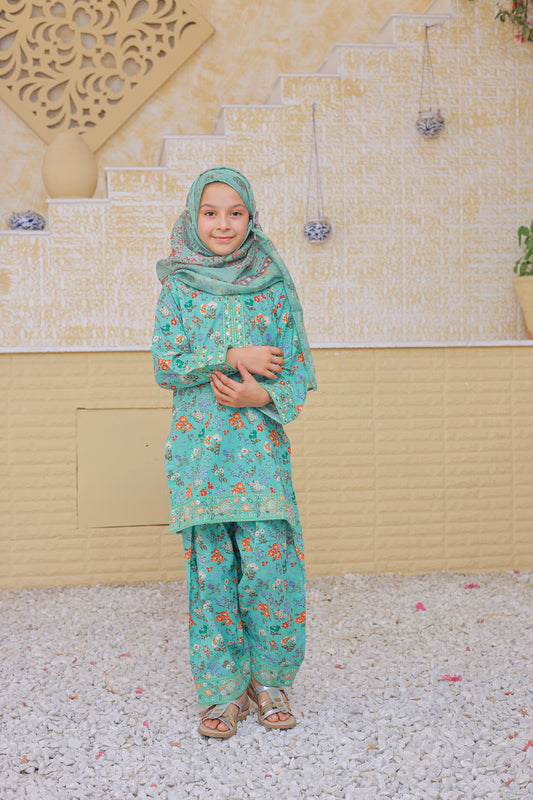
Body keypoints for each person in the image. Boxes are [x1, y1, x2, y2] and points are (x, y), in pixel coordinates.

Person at [151, 166, 316, 739]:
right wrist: (230, 351)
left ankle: (269, 682)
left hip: (260, 455)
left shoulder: (272, 282)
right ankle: (223, 695)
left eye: (235, 213)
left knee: (270, 571)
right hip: (200, 457)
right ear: (194, 217)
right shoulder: (178, 283)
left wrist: (259, 392)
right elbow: (166, 364)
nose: (223, 224)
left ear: (251, 217)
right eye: (211, 213)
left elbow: (297, 370)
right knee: (213, 577)